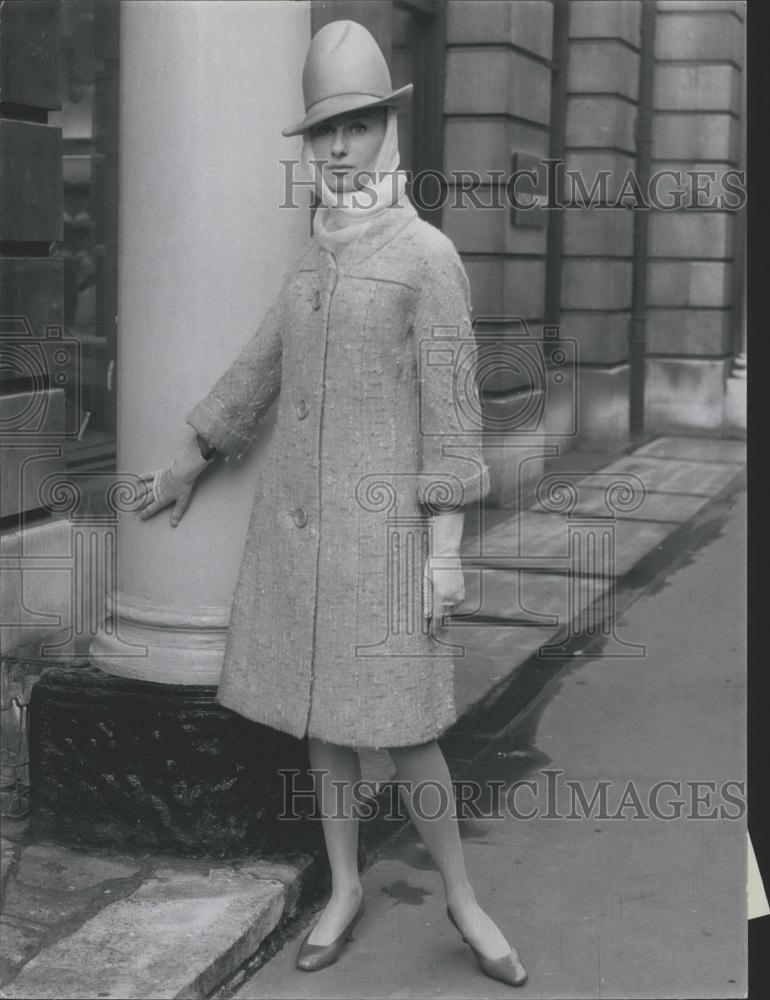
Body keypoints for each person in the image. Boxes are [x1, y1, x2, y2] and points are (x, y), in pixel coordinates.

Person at [137, 19, 527, 988]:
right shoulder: (316, 252)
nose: (339, 146)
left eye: (355, 124)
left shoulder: (427, 255)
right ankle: (345, 885)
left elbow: (451, 412)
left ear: (386, 129)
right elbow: (259, 365)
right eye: (323, 131)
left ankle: (463, 898)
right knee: (322, 721)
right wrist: (192, 453)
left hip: (386, 542)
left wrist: (444, 551)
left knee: (405, 731)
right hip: (302, 537)